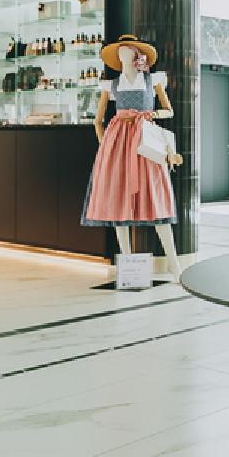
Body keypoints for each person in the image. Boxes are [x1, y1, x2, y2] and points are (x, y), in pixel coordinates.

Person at [83, 34, 182, 277]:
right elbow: (97, 120)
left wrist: (151, 115)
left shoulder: (153, 80)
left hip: (145, 140)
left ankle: (174, 263)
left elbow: (169, 111)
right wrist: (105, 146)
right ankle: (128, 264)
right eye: (120, 52)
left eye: (128, 51)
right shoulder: (110, 85)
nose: (124, 55)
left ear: (138, 55)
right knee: (119, 197)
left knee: (155, 193)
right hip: (118, 143)